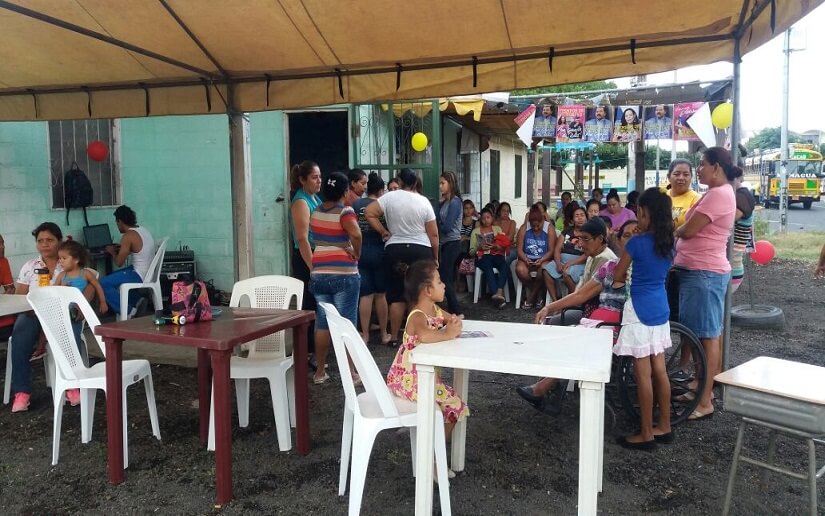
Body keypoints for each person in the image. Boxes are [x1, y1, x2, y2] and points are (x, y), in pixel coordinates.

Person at [517, 219, 636, 408]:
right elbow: (580, 294)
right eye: (627, 235)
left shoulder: (642, 269)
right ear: (619, 240)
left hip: (624, 324)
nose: (632, 240)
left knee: (575, 337)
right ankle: (547, 384)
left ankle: (543, 387)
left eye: (637, 235)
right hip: (599, 319)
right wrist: (549, 307)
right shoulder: (610, 266)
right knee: (564, 331)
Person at [673, 146, 737, 421]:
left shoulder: (719, 194)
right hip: (697, 272)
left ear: (716, 167)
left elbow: (689, 230)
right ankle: (699, 387)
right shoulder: (715, 193)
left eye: (701, 164)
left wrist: (676, 231)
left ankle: (705, 399)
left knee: (708, 336)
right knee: (700, 334)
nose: (698, 169)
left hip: (705, 273)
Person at [612, 188, 675, 449]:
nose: (636, 217)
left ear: (645, 213)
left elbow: (618, 275)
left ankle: (646, 433)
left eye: (639, 213)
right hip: (660, 309)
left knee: (643, 375)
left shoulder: (636, 243)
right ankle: (665, 426)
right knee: (660, 371)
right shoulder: (669, 243)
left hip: (638, 309)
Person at [385, 260, 468, 446]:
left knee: (449, 403)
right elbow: (424, 335)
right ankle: (433, 452)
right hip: (409, 381)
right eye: (439, 281)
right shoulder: (417, 315)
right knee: (455, 405)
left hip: (423, 378)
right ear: (428, 291)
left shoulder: (435, 309)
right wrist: (447, 333)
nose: (444, 285)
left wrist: (454, 323)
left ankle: (433, 445)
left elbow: (451, 319)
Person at [9, 223, 86, 412]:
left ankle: (72, 386)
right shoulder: (30, 267)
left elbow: (89, 283)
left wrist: (82, 305)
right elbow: (20, 297)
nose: (44, 244)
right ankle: (22, 393)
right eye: (40, 241)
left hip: (63, 313)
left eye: (50, 240)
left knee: (70, 334)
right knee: (20, 333)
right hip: (33, 313)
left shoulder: (69, 262)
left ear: (59, 241)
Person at [365, 168, 438, 347]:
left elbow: (369, 212)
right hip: (420, 249)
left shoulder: (390, 197)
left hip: (395, 249)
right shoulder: (423, 201)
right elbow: (434, 234)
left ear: (399, 181)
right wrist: (435, 256)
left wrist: (383, 231)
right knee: (418, 295)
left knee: (397, 296)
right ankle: (416, 335)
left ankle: (394, 338)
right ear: (415, 183)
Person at [309, 171, 362, 384]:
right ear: (345, 191)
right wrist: (356, 252)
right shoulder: (345, 211)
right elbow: (356, 234)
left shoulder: (315, 211)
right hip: (343, 273)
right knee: (346, 323)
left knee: (323, 323)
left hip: (319, 272)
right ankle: (352, 373)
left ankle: (320, 371)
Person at [290, 160, 322, 364]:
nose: (319, 181)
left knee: (316, 305)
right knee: (308, 305)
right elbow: (302, 238)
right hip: (305, 257)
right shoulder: (301, 202)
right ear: (303, 180)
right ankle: (307, 352)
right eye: (314, 177)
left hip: (316, 254)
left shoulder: (314, 197)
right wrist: (312, 267)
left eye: (320, 177)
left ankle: (314, 350)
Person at [352, 173, 391, 345]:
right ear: (381, 190)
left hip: (361, 252)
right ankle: (384, 334)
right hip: (380, 252)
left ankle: (365, 335)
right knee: (381, 295)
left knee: (366, 295)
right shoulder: (383, 205)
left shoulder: (356, 204)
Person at [100, 205, 155, 316]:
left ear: (120, 221)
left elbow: (119, 263)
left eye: (117, 223)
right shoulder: (142, 229)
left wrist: (112, 251)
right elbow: (138, 249)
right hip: (149, 271)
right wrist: (121, 249)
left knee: (103, 282)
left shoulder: (128, 236)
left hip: (139, 274)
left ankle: (128, 312)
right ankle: (138, 301)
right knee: (114, 276)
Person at [543, 204, 588, 301]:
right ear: (572, 220)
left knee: (567, 273)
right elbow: (557, 249)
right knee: (546, 271)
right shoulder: (566, 231)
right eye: (576, 216)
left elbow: (587, 254)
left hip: (579, 263)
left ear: (586, 218)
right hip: (562, 261)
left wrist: (570, 263)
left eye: (582, 215)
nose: (580, 218)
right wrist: (558, 263)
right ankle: (555, 302)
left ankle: (572, 302)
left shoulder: (589, 233)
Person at [515, 205, 555, 309]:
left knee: (544, 269)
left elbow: (551, 250)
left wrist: (542, 259)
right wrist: (525, 259)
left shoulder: (549, 228)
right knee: (520, 270)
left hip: (544, 259)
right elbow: (519, 250)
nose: (536, 228)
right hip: (527, 259)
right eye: (533, 226)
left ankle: (531, 297)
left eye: (538, 226)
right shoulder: (524, 228)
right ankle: (538, 295)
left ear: (542, 221)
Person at [469, 208, 510, 308]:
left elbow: (504, 246)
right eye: (483, 218)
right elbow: (471, 252)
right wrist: (479, 248)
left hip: (496, 255)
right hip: (483, 257)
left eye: (488, 217)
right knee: (487, 266)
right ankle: (497, 295)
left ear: (492, 218)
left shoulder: (497, 229)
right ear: (480, 219)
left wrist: (496, 246)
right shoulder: (475, 231)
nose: (486, 220)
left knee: (504, 265)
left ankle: (499, 292)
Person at [437, 171, 464, 316]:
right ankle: (454, 309)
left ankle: (456, 310)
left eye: (443, 183)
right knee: (446, 276)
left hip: (452, 242)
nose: (440, 186)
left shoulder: (455, 202)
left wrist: (437, 223)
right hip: (445, 243)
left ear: (450, 184)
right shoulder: (445, 202)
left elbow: (447, 227)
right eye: (440, 183)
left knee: (445, 277)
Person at [55, 241, 108, 315]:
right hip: (64, 308)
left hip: (81, 307)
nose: (61, 261)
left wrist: (103, 302)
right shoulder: (61, 275)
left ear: (76, 260)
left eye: (64, 258)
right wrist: (62, 288)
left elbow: (97, 286)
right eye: (59, 258)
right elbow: (54, 292)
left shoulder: (85, 273)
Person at [730, 169, 756, 293]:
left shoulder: (742, 197)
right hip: (732, 267)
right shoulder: (739, 194)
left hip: (731, 268)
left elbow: (723, 221)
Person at [667, 159, 701, 229]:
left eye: (686, 174)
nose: (681, 178)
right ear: (669, 177)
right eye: (676, 174)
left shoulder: (697, 200)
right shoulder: (661, 197)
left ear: (691, 177)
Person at [456, 199, 478, 293]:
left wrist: (466, 238)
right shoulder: (458, 222)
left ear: (473, 209)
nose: (468, 210)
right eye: (466, 208)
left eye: (470, 208)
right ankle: (460, 280)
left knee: (464, 247)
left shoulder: (476, 223)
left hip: (469, 248)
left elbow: (477, 238)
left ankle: (462, 281)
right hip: (458, 247)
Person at [0, 233, 16, 341]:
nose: (2, 247)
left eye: (2, 243)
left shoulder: (3, 262)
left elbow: (11, 289)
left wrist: (9, 293)